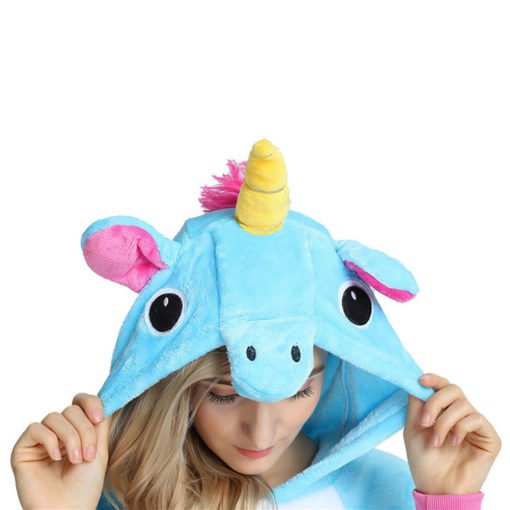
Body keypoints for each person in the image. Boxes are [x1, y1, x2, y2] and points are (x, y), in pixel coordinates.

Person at [11, 140, 502, 509]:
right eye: (224, 394)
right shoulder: (115, 493)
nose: (261, 430)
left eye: (299, 389)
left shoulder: (388, 491)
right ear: (171, 375)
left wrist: (449, 499)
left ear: (337, 364)